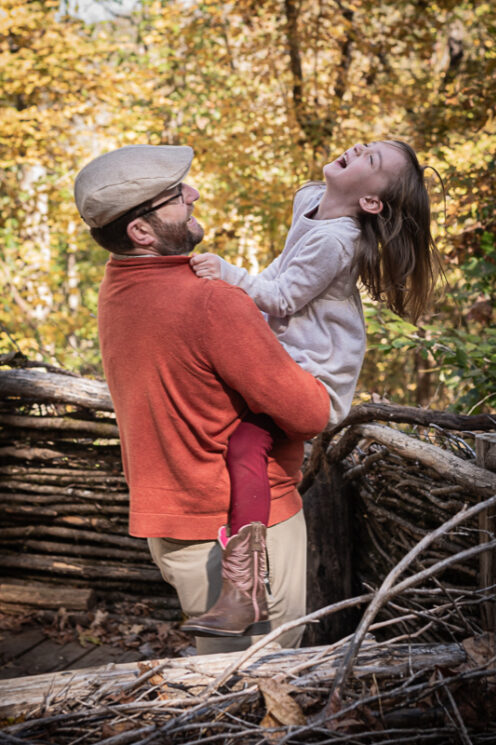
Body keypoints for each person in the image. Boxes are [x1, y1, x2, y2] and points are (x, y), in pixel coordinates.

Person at [74, 144, 331, 654]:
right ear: (141, 231)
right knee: (257, 684)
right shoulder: (211, 302)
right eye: (174, 195)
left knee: (223, 677)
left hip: (174, 528)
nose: (192, 195)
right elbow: (311, 413)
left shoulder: (117, 290)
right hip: (243, 532)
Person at [182, 140, 439, 636]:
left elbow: (282, 296)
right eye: (367, 145)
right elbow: (282, 268)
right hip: (281, 354)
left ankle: (244, 593)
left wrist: (225, 273)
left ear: (371, 204)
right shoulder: (308, 200)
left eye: (372, 160)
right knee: (238, 440)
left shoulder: (339, 241)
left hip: (312, 367)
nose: (360, 147)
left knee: (244, 446)